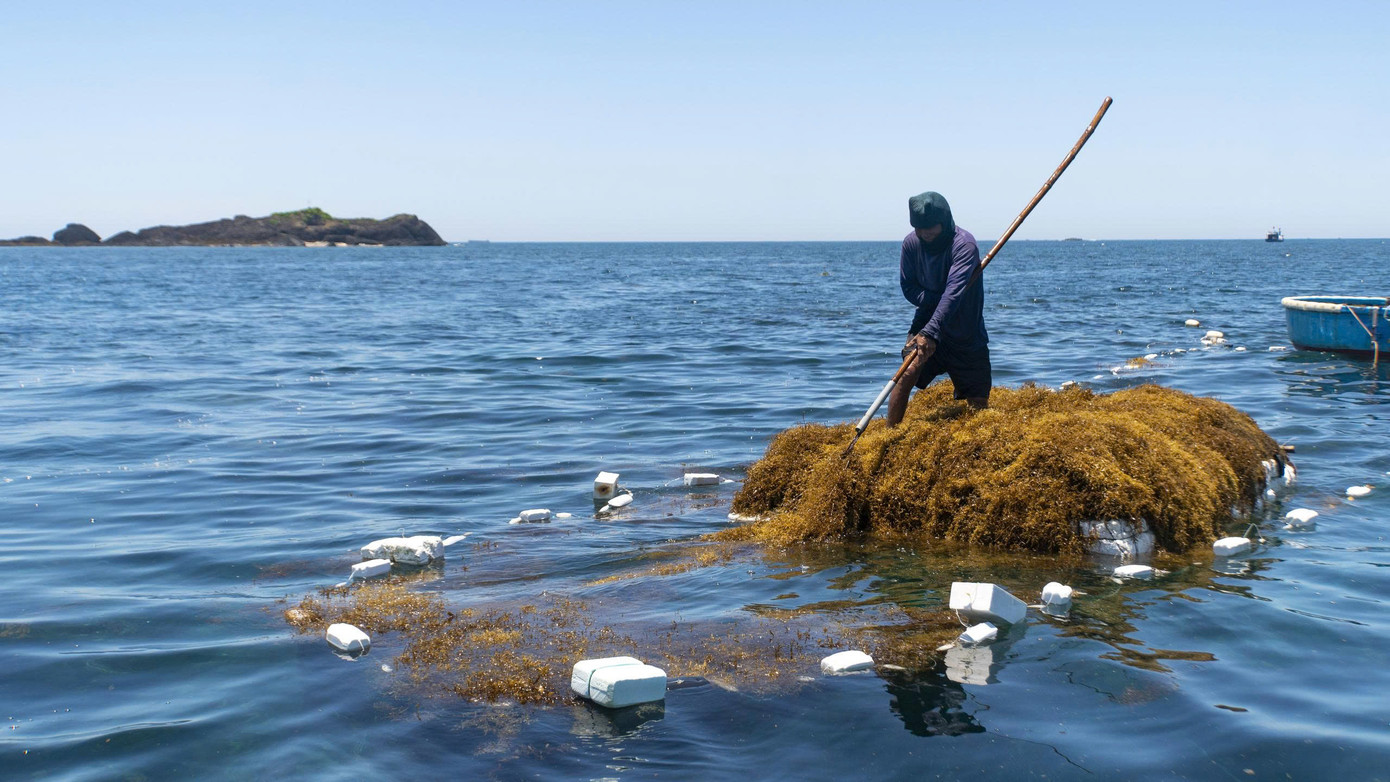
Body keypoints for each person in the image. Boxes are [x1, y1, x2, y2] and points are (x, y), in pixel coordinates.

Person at [886, 191, 990, 426]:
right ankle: (889, 432)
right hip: (925, 322)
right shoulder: (911, 243)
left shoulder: (964, 245)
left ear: (945, 221)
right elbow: (908, 287)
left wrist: (932, 331)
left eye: (930, 228)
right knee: (907, 372)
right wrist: (933, 303)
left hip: (965, 330)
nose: (925, 234)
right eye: (919, 228)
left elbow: (953, 293)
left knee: (978, 399)